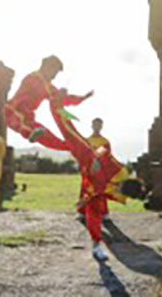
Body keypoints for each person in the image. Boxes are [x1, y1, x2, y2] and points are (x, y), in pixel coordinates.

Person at [47, 95, 143, 261]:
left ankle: (96, 243)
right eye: (120, 188)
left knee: (94, 209)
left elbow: (97, 189)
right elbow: (105, 153)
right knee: (69, 133)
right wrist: (97, 157)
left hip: (92, 177)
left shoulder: (117, 192)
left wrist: (86, 200)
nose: (118, 191)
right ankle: (56, 108)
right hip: (88, 158)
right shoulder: (120, 172)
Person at [2, 55, 93, 151]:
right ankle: (30, 133)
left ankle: (69, 146)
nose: (54, 77)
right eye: (54, 72)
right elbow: (52, 94)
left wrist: (82, 98)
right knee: (24, 123)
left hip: (27, 118)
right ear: (46, 67)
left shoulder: (46, 84)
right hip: (14, 111)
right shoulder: (33, 78)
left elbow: (62, 99)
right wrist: (59, 96)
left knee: (46, 134)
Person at [77, 118, 111, 220]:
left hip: (100, 170)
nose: (97, 127)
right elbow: (83, 154)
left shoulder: (104, 142)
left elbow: (107, 156)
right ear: (92, 126)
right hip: (87, 170)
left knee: (100, 191)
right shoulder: (87, 141)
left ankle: (103, 213)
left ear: (102, 126)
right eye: (95, 125)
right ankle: (82, 213)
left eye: (99, 125)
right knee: (85, 189)